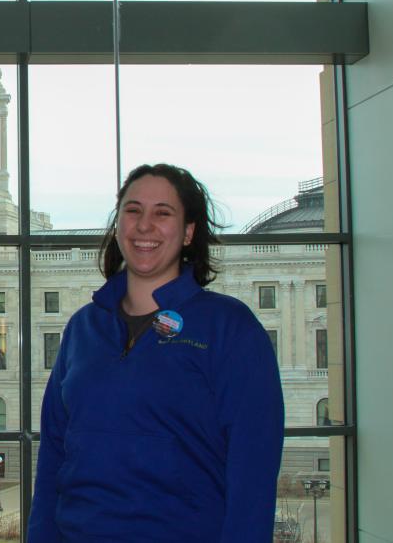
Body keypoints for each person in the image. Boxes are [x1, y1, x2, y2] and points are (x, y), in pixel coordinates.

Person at [28, 163, 284, 542]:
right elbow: (53, 454)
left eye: (163, 213)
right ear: (118, 227)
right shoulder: (84, 328)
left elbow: (253, 474)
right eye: (133, 211)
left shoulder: (229, 327)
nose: (144, 225)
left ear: (188, 232)